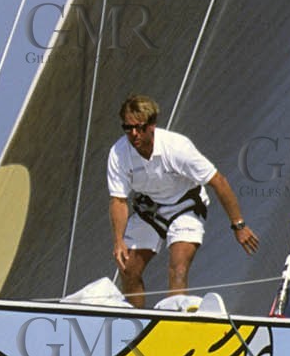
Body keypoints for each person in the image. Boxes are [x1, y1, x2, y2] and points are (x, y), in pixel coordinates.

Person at [107, 94, 258, 307]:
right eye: (127, 128)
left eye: (139, 127)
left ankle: (172, 324)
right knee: (128, 268)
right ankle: (136, 328)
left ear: (152, 125)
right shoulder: (119, 153)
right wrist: (118, 240)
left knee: (177, 268)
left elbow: (219, 181)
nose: (134, 134)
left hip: (185, 207)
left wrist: (239, 225)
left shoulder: (177, 147)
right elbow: (118, 200)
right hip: (149, 209)